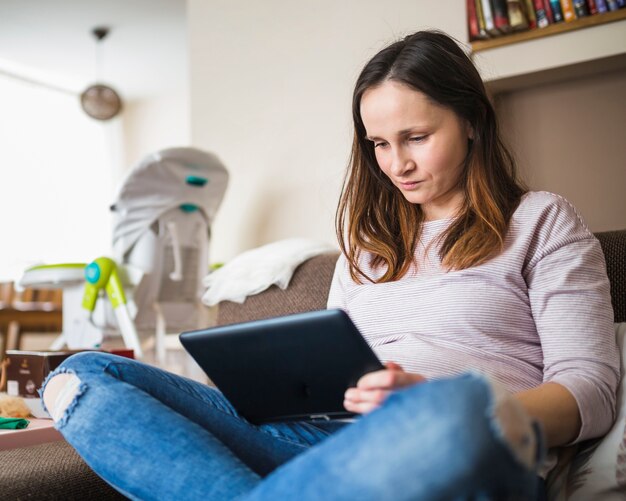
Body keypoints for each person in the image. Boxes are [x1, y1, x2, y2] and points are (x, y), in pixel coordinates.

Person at [41, 30, 618, 500]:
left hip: (455, 444)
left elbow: (589, 391)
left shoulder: (544, 222)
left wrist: (442, 403)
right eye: (379, 144)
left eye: (416, 137)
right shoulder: (367, 247)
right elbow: (324, 368)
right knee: (82, 376)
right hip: (320, 446)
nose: (397, 164)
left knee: (458, 402)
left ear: (471, 120)